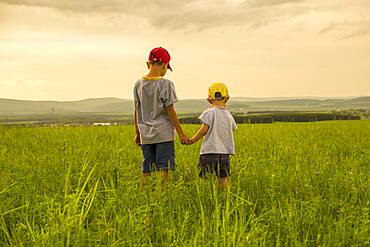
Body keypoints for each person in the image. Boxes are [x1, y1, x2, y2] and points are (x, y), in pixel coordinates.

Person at [133, 47, 190, 183]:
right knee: (163, 169)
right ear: (164, 65)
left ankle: (145, 195)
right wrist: (181, 133)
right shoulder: (166, 84)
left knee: (147, 169)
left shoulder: (138, 85)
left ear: (148, 64)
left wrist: (137, 133)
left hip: (146, 135)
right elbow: (170, 110)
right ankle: (161, 195)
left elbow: (136, 110)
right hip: (163, 135)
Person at [190, 82, 237, 187]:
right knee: (223, 178)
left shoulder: (209, 113)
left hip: (209, 152)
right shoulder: (229, 115)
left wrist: (192, 140)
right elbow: (232, 129)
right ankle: (225, 198)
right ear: (227, 98)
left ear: (209, 99)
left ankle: (205, 197)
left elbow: (203, 130)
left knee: (204, 178)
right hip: (225, 154)